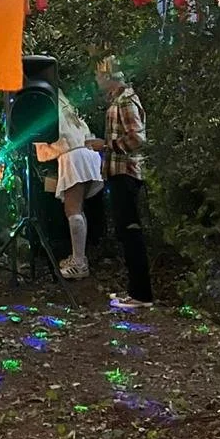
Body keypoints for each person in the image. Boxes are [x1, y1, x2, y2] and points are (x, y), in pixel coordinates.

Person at [93, 58, 154, 309]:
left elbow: (138, 139)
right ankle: (134, 290)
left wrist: (106, 146)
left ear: (109, 76)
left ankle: (141, 295)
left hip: (126, 174)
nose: (96, 80)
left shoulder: (126, 101)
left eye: (98, 75)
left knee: (130, 232)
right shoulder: (117, 101)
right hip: (118, 174)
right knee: (125, 232)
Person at [34, 90, 103, 279]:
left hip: (73, 155)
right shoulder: (60, 98)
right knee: (78, 208)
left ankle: (79, 263)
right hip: (86, 151)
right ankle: (78, 257)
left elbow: (44, 150)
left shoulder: (40, 104)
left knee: (72, 209)